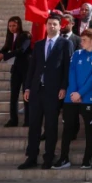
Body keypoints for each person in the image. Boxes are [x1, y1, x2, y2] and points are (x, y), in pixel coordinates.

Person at [19, 12, 74, 170]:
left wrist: (64, 87)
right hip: (37, 91)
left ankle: (49, 157)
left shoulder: (65, 44)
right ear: (46, 26)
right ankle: (31, 157)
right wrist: (28, 87)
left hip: (54, 91)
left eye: (54, 24)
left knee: (50, 126)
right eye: (49, 24)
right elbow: (32, 68)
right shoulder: (38, 44)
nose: (51, 26)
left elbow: (67, 68)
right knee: (34, 125)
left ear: (60, 26)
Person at [56, 28, 92, 169]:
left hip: (87, 97)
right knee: (67, 128)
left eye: (84, 40)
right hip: (71, 96)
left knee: (89, 130)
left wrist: (81, 93)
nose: (81, 42)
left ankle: (87, 159)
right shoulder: (77, 54)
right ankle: (64, 158)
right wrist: (74, 92)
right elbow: (72, 72)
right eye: (81, 40)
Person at [0, 16, 31, 128]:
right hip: (16, 69)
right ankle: (13, 119)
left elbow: (22, 50)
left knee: (26, 94)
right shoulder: (10, 37)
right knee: (13, 95)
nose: (12, 28)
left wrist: (5, 55)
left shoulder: (25, 35)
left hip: (26, 68)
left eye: (14, 25)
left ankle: (28, 120)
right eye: (10, 26)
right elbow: (3, 51)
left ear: (19, 25)